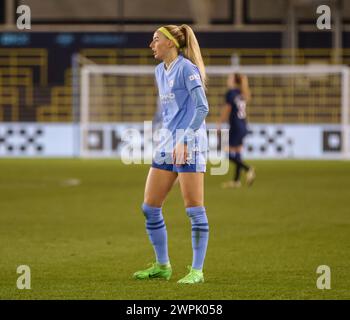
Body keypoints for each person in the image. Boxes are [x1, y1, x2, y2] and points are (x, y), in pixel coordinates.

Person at [133, 25, 209, 284]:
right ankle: (162, 265)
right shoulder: (159, 71)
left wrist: (185, 141)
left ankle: (197, 271)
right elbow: (168, 110)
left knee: (194, 210)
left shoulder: (187, 68)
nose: (151, 44)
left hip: (190, 144)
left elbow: (202, 108)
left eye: (155, 39)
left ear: (170, 43)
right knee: (150, 207)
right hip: (167, 143)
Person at [218, 73, 256, 188]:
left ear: (234, 81)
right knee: (238, 153)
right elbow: (247, 99)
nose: (228, 80)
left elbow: (227, 109)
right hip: (243, 126)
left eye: (229, 78)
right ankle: (236, 181)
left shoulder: (231, 93)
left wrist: (219, 123)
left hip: (235, 126)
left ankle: (248, 168)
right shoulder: (241, 93)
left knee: (228, 153)